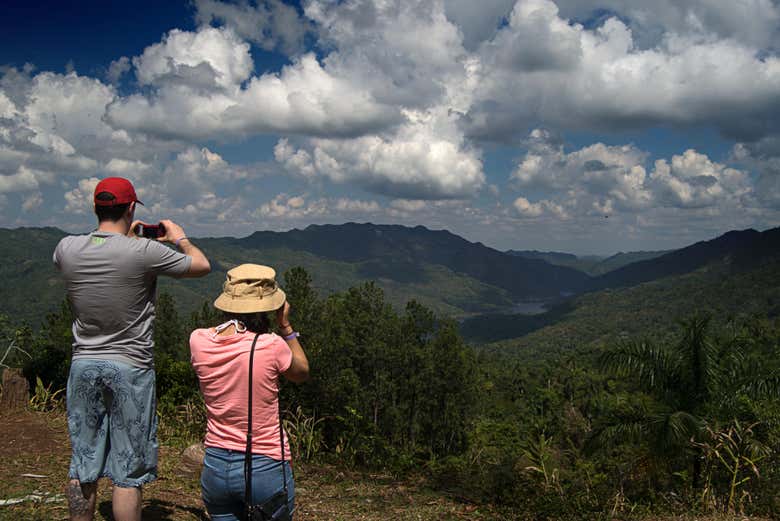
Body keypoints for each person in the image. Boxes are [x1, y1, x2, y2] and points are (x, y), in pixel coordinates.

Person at [53, 176, 211, 521]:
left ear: (95, 207)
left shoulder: (66, 248)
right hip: (130, 366)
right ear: (130, 208)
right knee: (127, 470)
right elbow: (202, 266)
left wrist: (121, 239)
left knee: (83, 461)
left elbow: (99, 254)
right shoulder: (145, 251)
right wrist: (178, 237)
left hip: (84, 364)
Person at [189, 264, 310, 520]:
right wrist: (286, 326)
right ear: (271, 306)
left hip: (215, 463)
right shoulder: (271, 345)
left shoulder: (198, 340)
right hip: (264, 464)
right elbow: (301, 371)